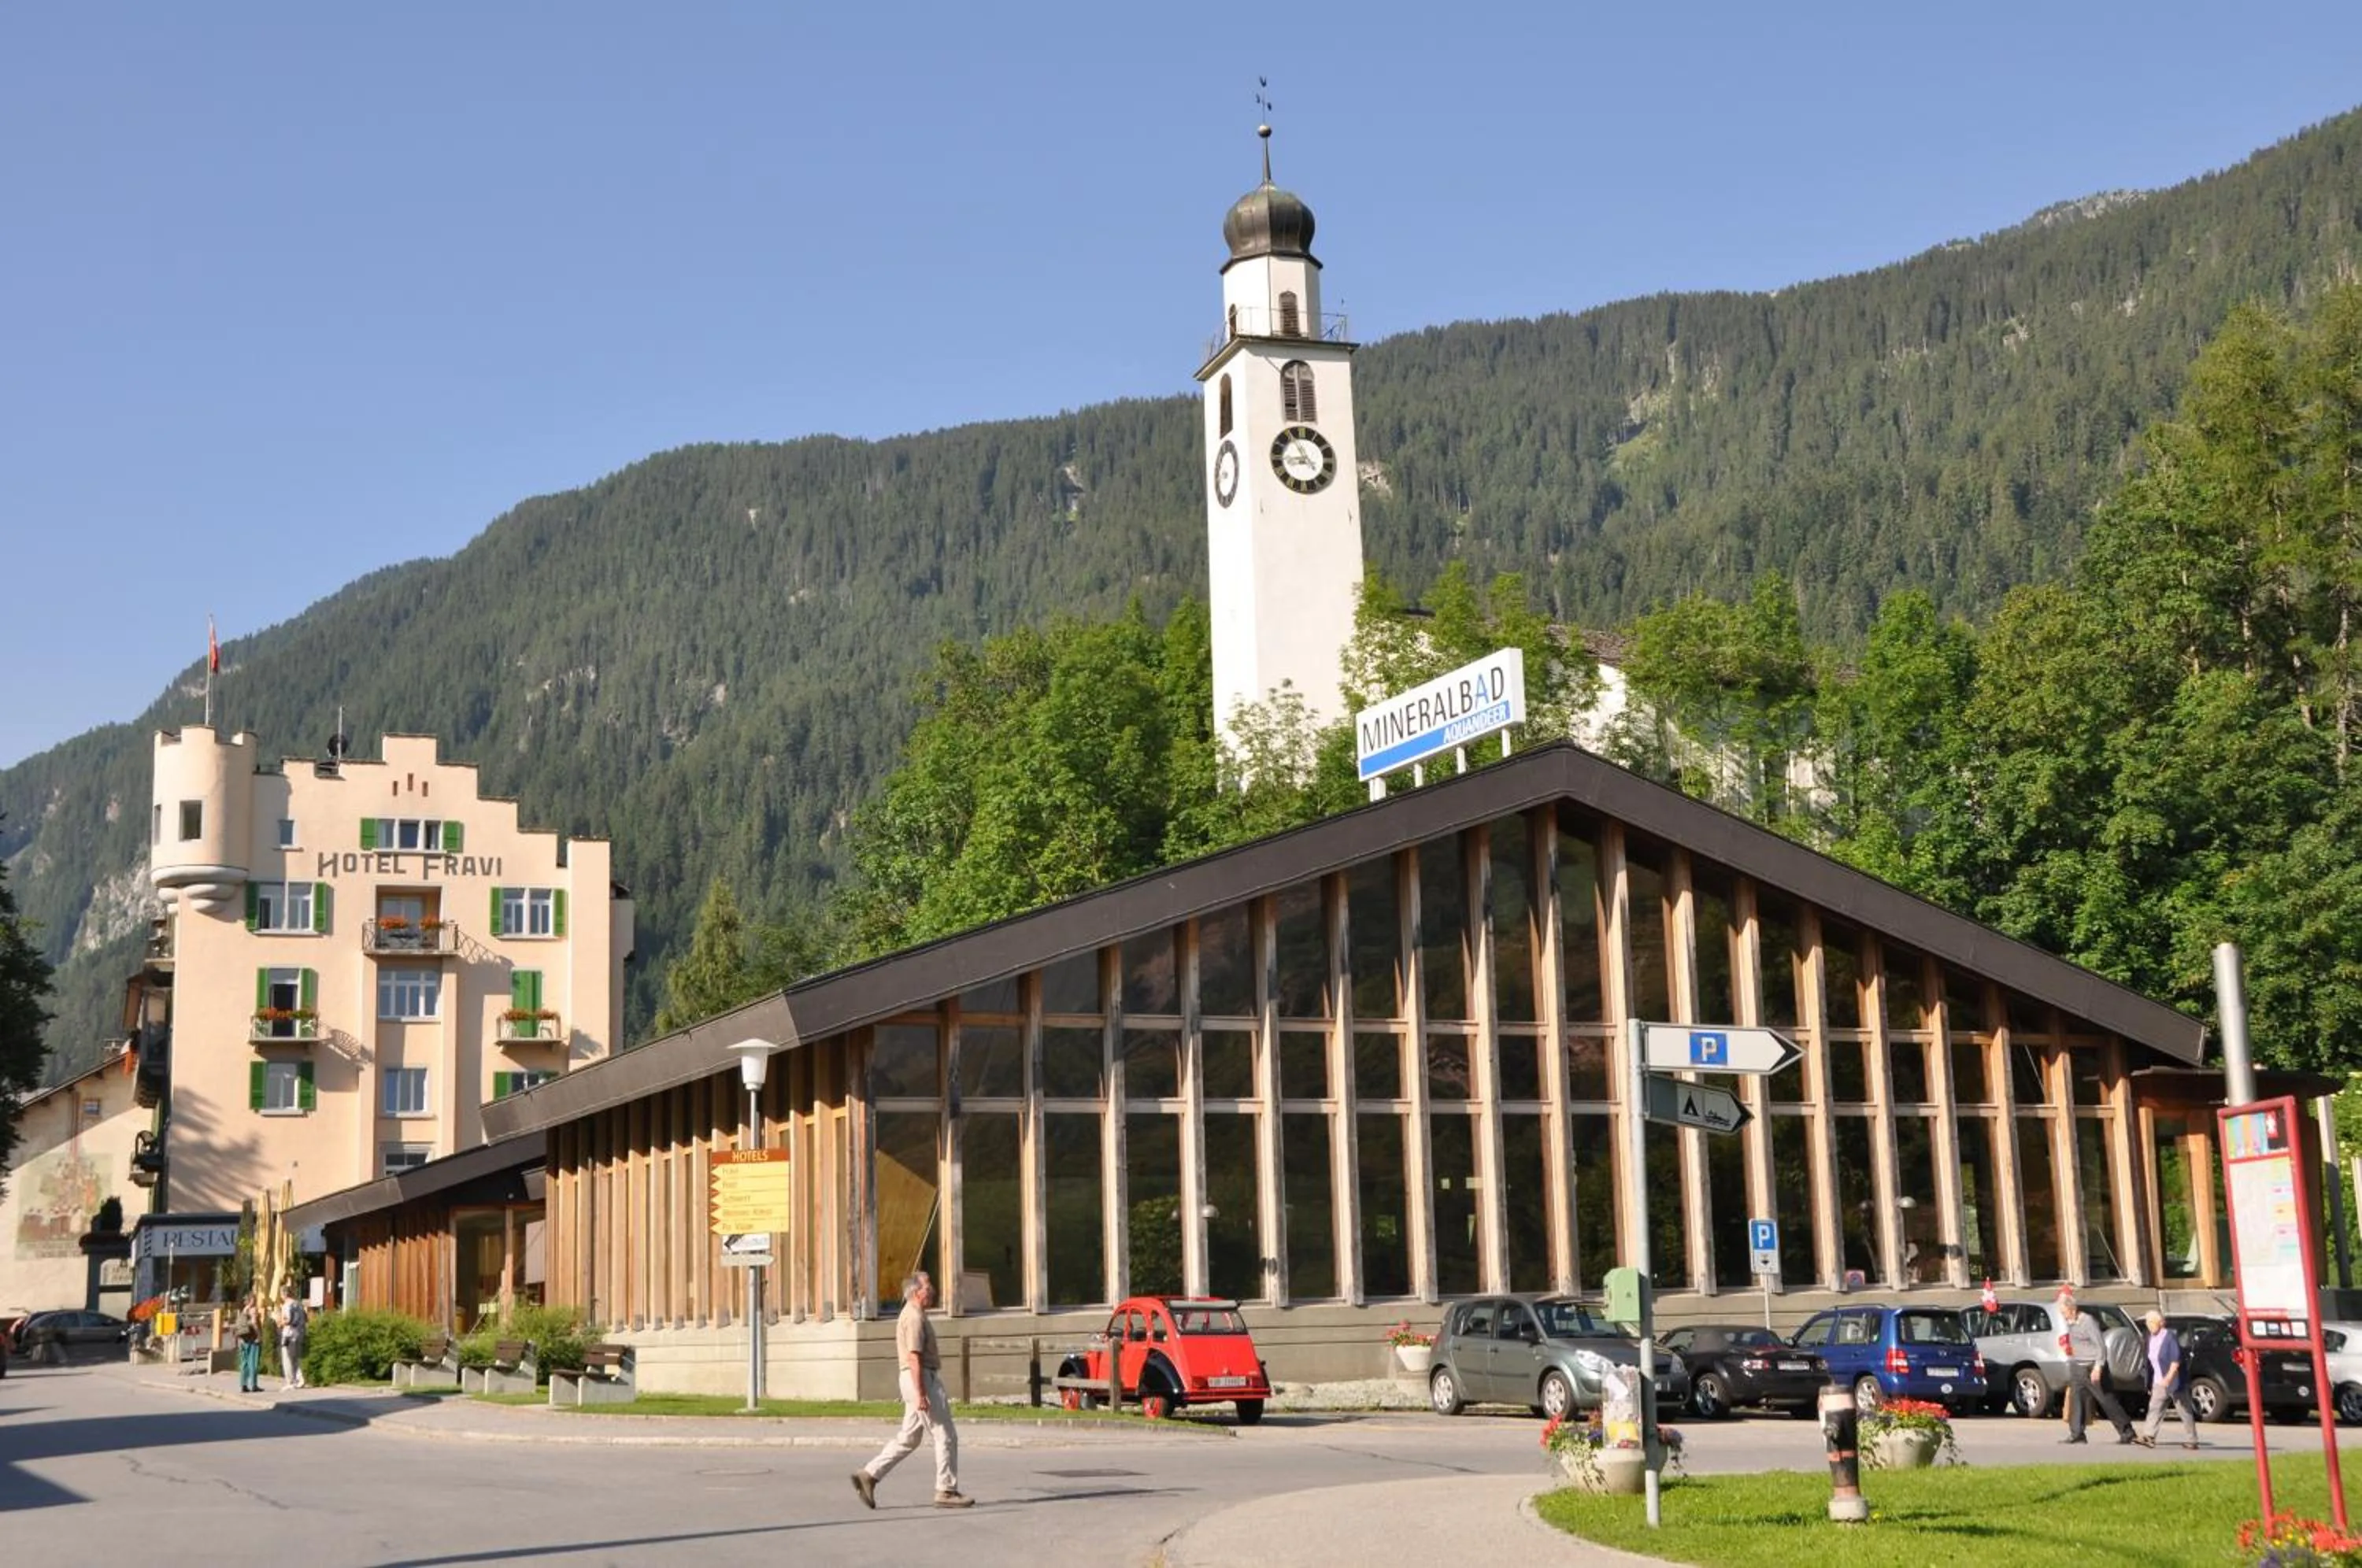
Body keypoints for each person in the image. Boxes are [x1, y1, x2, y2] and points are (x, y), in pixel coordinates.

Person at [850, 1270, 973, 1511]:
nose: (933, 1291)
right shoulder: (914, 1317)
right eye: (929, 1287)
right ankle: (946, 1490)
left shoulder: (912, 1314)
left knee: (909, 1437)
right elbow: (914, 1357)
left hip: (912, 1378)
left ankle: (869, 1474)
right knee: (945, 1434)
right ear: (917, 1291)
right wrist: (922, 1394)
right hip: (920, 1377)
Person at [2060, 1296, 2134, 1444]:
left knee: (2106, 1400)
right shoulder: (2070, 1323)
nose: (2063, 1315)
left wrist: (2098, 1367)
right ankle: (2077, 1434)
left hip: (2092, 1367)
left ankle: (2127, 1431)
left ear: (2073, 1310)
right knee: (2077, 1400)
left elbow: (2100, 1346)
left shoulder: (2088, 1322)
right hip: (2078, 1367)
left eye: (2064, 1312)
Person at [2134, 1309, 2201, 1450]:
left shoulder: (2169, 1337)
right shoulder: (2149, 1337)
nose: (2149, 1325)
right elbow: (2150, 1362)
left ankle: (2192, 1440)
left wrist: (2169, 1378)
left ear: (2161, 1323)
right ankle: (2149, 1436)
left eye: (2152, 1322)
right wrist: (2151, 1382)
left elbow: (2175, 1360)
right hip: (2159, 1381)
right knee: (2154, 1408)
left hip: (2174, 1381)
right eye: (2148, 1322)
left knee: (2184, 1410)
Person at [278, 1287, 309, 1389]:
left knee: (287, 1358)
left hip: (288, 1335)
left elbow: (288, 1320)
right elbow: (305, 1318)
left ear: (284, 1294)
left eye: (281, 1294)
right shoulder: (298, 1304)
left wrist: (280, 1323)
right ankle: (300, 1379)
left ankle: (290, 1382)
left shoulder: (287, 1305)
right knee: (295, 1358)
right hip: (299, 1333)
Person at [235, 1296, 263, 1392]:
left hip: (243, 1339)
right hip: (253, 1339)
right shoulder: (253, 1310)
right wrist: (259, 1336)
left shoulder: (243, 1311)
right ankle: (254, 1385)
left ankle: (243, 1385)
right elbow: (254, 1323)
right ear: (253, 1301)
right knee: (253, 1362)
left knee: (244, 1362)